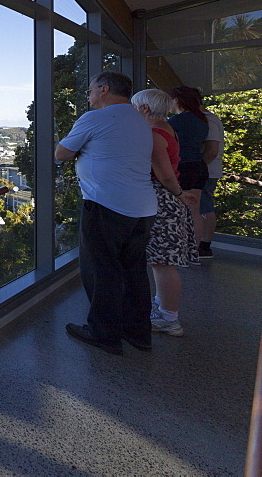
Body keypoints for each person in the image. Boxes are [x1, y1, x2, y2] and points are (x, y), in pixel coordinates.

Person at [56, 71, 157, 354]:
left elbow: (61, 153)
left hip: (106, 204)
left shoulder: (95, 118)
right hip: (143, 207)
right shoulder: (140, 119)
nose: (88, 96)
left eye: (90, 91)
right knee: (134, 270)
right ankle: (138, 332)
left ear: (104, 89)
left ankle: (104, 333)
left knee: (102, 270)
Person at [132, 89, 196, 337]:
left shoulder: (154, 134)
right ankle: (163, 309)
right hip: (169, 200)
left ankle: (169, 318)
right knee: (163, 262)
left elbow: (165, 174)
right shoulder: (168, 129)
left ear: (144, 109)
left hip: (163, 201)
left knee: (162, 262)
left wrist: (179, 194)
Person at [167, 86, 210, 262]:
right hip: (199, 166)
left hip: (182, 166)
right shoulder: (202, 120)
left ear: (177, 100)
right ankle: (193, 252)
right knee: (195, 211)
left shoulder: (175, 121)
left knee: (177, 211)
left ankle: (178, 252)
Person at [198, 92, 224, 259]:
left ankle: (204, 246)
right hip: (207, 170)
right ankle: (202, 244)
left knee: (204, 206)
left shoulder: (208, 119)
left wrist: (199, 167)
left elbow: (212, 150)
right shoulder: (209, 118)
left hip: (207, 171)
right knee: (203, 205)